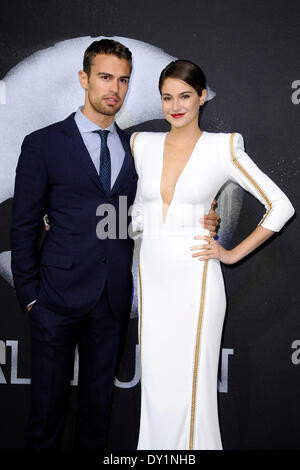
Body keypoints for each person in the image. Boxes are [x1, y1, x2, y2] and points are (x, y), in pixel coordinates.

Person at [10, 40, 218, 450]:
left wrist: (202, 218)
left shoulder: (138, 148)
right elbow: (23, 226)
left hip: (111, 302)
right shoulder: (43, 143)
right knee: (45, 417)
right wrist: (31, 296)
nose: (115, 89)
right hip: (54, 299)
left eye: (123, 80)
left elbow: (152, 210)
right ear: (84, 78)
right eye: (105, 77)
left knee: (96, 416)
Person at [130, 59, 295, 450]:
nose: (176, 105)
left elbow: (281, 206)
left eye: (185, 96)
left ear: (202, 97)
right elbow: (136, 214)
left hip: (196, 279)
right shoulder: (142, 145)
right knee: (155, 386)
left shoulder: (223, 147)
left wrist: (233, 253)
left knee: (192, 386)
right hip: (151, 278)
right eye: (167, 97)